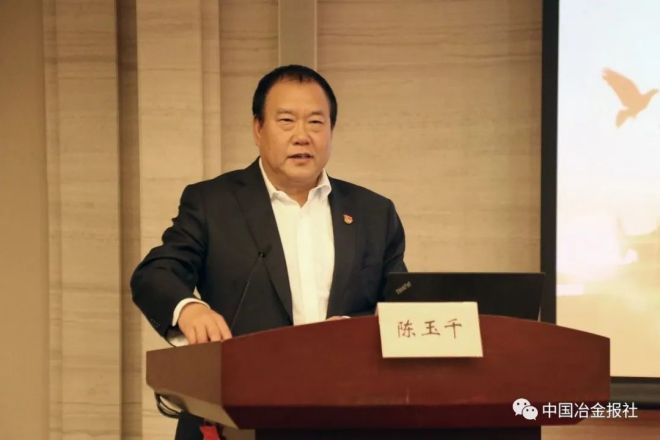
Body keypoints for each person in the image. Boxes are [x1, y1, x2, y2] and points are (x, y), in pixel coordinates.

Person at [131, 64, 406, 439]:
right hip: (236, 417)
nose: (302, 136)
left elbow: (400, 305)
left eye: (315, 122)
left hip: (345, 417)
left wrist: (356, 334)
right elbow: (156, 273)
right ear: (258, 129)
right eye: (286, 121)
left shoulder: (374, 212)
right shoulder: (213, 203)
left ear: (331, 131)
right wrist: (190, 309)